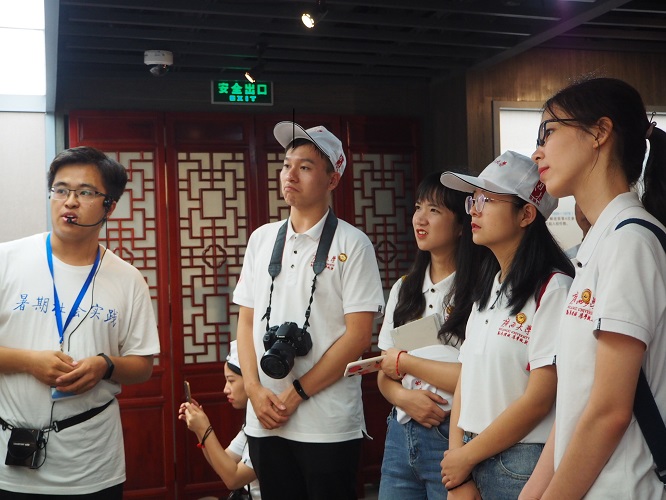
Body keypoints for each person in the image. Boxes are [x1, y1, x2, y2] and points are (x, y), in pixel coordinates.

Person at [521, 77, 666, 499]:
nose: (537, 152)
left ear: (600, 132)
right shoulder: (601, 243)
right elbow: (577, 401)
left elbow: (609, 412)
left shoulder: (630, 241)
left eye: (549, 132)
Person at [233, 121, 385, 500]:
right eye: (287, 165)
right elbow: (246, 323)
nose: (290, 175)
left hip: (328, 423)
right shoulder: (261, 239)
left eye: (304, 167)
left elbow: (358, 337)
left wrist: (296, 393)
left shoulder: (354, 244)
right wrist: (253, 389)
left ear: (332, 179)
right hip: (265, 417)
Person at [0, 146, 160, 498]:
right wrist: (29, 362)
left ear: (109, 207)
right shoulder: (6, 260)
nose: (69, 202)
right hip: (9, 462)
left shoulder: (128, 279)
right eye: (60, 190)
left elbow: (143, 366)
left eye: (85, 192)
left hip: (93, 465)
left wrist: (105, 366)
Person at [439, 151, 575, 499]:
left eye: (486, 200)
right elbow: (466, 379)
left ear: (526, 214)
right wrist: (458, 466)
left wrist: (466, 457)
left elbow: (539, 399)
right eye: (473, 200)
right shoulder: (489, 286)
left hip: (520, 463)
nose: (474, 210)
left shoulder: (553, 288)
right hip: (470, 456)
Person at [376, 171, 484, 499]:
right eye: (418, 207)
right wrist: (404, 398)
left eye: (434, 210)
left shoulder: (480, 291)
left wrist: (406, 362)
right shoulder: (405, 288)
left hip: (453, 436)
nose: (420, 219)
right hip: (401, 432)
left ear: (462, 225)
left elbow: (475, 378)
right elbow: (385, 370)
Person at [180, 341, 260, 499]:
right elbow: (224, 461)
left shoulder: (268, 423)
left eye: (231, 380)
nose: (225, 389)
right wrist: (199, 429)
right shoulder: (251, 420)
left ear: (251, 380)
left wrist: (204, 429)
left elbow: (233, 479)